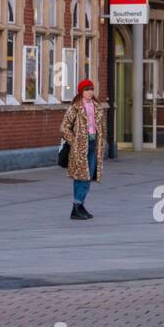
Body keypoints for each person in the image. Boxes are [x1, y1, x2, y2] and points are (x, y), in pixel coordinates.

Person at [61, 79, 106, 221]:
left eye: (91, 89)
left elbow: (101, 126)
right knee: (82, 177)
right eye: (87, 89)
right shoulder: (75, 107)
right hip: (80, 148)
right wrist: (74, 142)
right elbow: (65, 127)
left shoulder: (97, 106)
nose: (90, 92)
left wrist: (102, 141)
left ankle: (79, 206)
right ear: (81, 92)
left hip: (94, 146)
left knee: (89, 175)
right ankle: (77, 206)